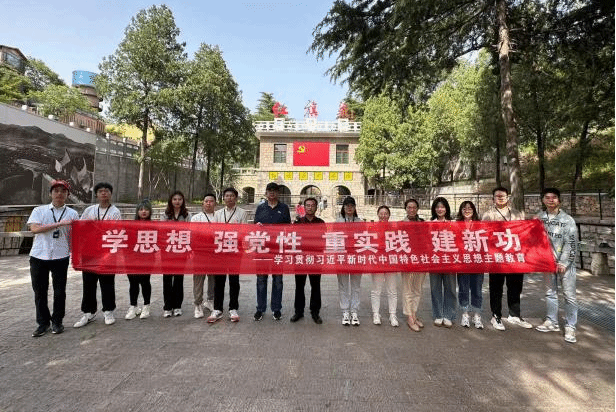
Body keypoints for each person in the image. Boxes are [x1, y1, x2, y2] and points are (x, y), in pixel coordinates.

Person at [27, 180, 79, 337]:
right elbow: (35, 229)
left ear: (67, 195)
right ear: (50, 193)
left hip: (61, 256)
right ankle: (42, 323)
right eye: (56, 191)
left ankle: (57, 321)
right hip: (39, 256)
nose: (59, 194)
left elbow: (75, 236)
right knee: (40, 292)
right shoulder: (39, 210)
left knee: (59, 291)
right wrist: (58, 224)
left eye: (63, 191)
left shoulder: (73, 214)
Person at [482, 187, 532, 331]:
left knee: (515, 286)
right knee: (496, 287)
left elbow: (523, 233)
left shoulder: (517, 213)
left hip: (514, 256)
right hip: (497, 257)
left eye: (503, 196)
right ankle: (496, 315)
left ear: (508, 197)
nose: (500, 198)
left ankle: (514, 314)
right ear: (493, 198)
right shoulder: (488, 215)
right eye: (497, 196)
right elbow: (484, 234)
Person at [74, 182, 122, 328]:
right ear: (96, 194)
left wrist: (96, 227)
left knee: (107, 283)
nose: (103, 193)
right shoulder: (89, 210)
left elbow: (116, 230)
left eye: (106, 191)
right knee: (88, 283)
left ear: (111, 194)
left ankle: (108, 311)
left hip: (107, 252)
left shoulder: (115, 212)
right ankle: (88, 312)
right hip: (89, 252)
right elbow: (81, 227)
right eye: (100, 191)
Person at [535, 187, 579, 343]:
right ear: (543, 200)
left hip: (566, 265)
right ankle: (551, 321)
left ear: (559, 200)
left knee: (569, 296)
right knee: (550, 293)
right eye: (547, 197)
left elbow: (572, 243)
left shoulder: (567, 220)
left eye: (553, 197)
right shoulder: (539, 218)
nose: (550, 200)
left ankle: (571, 326)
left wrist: (564, 262)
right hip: (547, 263)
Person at [208, 188, 248, 323]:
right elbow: (214, 231)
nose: (229, 198)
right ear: (223, 198)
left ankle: (233, 308)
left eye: (232, 196)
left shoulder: (242, 213)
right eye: (227, 196)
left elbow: (244, 231)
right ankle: (217, 309)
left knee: (234, 280)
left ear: (236, 198)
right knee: (219, 280)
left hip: (235, 250)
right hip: (220, 250)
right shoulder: (218, 213)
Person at [253, 182, 291, 321]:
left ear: (278, 193)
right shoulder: (260, 208)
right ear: (266, 193)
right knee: (261, 280)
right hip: (262, 249)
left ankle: (276, 309)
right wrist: (257, 226)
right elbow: (255, 226)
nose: (272, 193)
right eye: (269, 190)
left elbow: (289, 228)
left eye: (274, 190)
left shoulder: (284, 208)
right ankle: (260, 309)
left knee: (278, 280)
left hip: (278, 249)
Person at [290, 197, 325, 324]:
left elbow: (324, 239)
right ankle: (298, 312)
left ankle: (315, 312)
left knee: (315, 286)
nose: (310, 207)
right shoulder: (298, 223)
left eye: (312, 205)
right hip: (300, 258)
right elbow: (293, 239)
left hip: (315, 258)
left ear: (316, 207)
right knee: (299, 286)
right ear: (304, 208)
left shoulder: (321, 222)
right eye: (308, 205)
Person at [161, 190, 191, 317]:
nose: (177, 201)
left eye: (179, 199)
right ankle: (167, 306)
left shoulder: (187, 215)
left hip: (181, 250)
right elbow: (162, 231)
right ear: (171, 201)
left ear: (183, 201)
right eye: (175, 199)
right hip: (167, 250)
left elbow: (189, 231)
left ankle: (177, 305)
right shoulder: (165, 214)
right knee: (167, 278)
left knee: (179, 278)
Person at [456, 201, 484, 329]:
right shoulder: (456, 225)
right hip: (462, 263)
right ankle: (465, 314)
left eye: (470, 208)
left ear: (474, 210)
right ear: (461, 211)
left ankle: (477, 315)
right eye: (464, 208)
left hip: (477, 262)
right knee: (463, 289)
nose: (467, 210)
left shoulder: (480, 224)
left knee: (477, 289)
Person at [430, 197, 457, 328]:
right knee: (435, 288)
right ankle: (438, 315)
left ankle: (449, 315)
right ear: (434, 209)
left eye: (442, 207)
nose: (440, 209)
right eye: (437, 207)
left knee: (450, 288)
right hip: (434, 261)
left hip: (450, 261)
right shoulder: (429, 224)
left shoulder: (453, 223)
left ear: (446, 208)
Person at [336, 196, 364, 326]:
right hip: (342, 258)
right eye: (347, 205)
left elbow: (364, 239)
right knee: (343, 286)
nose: (349, 208)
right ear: (343, 207)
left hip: (356, 257)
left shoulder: (360, 222)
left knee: (356, 286)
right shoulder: (338, 222)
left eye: (352, 205)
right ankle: (345, 311)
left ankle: (354, 311)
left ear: (355, 208)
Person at [371, 205, 399, 327]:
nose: (383, 216)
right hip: (377, 262)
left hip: (391, 262)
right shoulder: (372, 228)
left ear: (389, 215)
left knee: (392, 290)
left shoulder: (394, 228)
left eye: (386, 213)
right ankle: (376, 314)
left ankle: (393, 314)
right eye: (381, 213)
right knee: (376, 290)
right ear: (378, 214)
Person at [400, 198, 426, 332]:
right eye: (409, 207)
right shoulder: (401, 224)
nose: (411, 210)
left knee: (417, 289)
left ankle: (414, 314)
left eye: (414, 207)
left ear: (417, 209)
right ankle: (409, 317)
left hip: (421, 260)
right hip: (408, 261)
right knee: (407, 290)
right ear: (405, 209)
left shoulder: (423, 223)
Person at [125, 200, 154, 320]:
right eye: (141, 209)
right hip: (132, 258)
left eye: (146, 209)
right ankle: (133, 306)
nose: (143, 211)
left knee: (145, 281)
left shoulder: (154, 226)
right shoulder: (131, 226)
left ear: (150, 211)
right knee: (133, 283)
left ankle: (146, 306)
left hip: (147, 258)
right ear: (137, 211)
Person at [191, 193, 217, 319]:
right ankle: (198, 304)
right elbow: (193, 235)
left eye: (211, 201)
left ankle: (210, 300)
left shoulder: (219, 217)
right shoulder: (196, 218)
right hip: (200, 253)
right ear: (203, 203)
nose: (208, 203)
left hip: (214, 253)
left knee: (213, 279)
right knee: (198, 280)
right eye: (206, 201)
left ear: (215, 203)